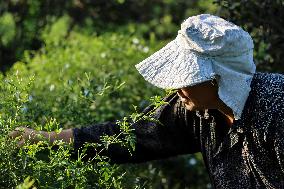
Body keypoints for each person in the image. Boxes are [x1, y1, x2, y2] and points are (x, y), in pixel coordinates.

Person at [9, 14, 284, 188]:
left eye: (186, 77)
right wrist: (45, 138)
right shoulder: (199, 111)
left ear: (217, 79)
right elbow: (132, 136)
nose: (176, 87)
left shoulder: (276, 107)